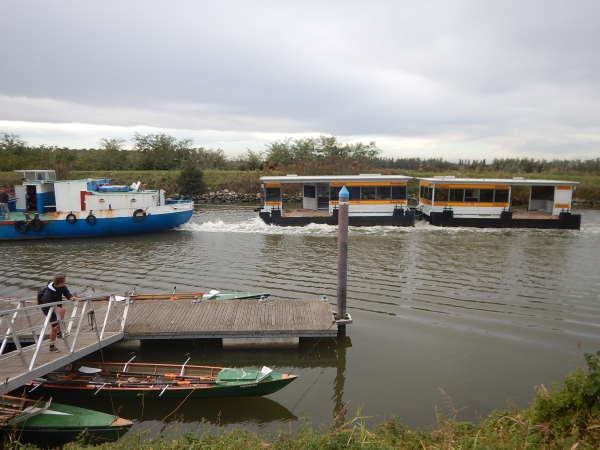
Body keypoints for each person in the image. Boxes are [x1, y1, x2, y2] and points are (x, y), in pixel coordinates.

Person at [40, 274, 77, 353]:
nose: (65, 282)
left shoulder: (62, 287)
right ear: (60, 283)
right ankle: (58, 332)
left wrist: (71, 297)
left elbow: (66, 293)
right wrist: (55, 310)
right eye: (64, 281)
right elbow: (46, 304)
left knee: (55, 327)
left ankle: (52, 344)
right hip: (48, 308)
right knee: (61, 312)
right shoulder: (48, 292)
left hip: (56, 307)